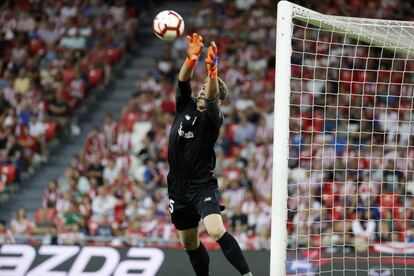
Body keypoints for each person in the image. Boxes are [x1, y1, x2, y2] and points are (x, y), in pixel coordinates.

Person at [167, 33, 252, 276]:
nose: (202, 90)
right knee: (189, 243)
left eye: (207, 88)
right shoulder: (186, 106)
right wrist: (191, 60)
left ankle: (247, 274)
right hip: (176, 184)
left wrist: (213, 75)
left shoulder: (212, 118)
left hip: (200, 185)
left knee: (215, 230)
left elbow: (213, 98)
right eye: (202, 87)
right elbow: (182, 81)